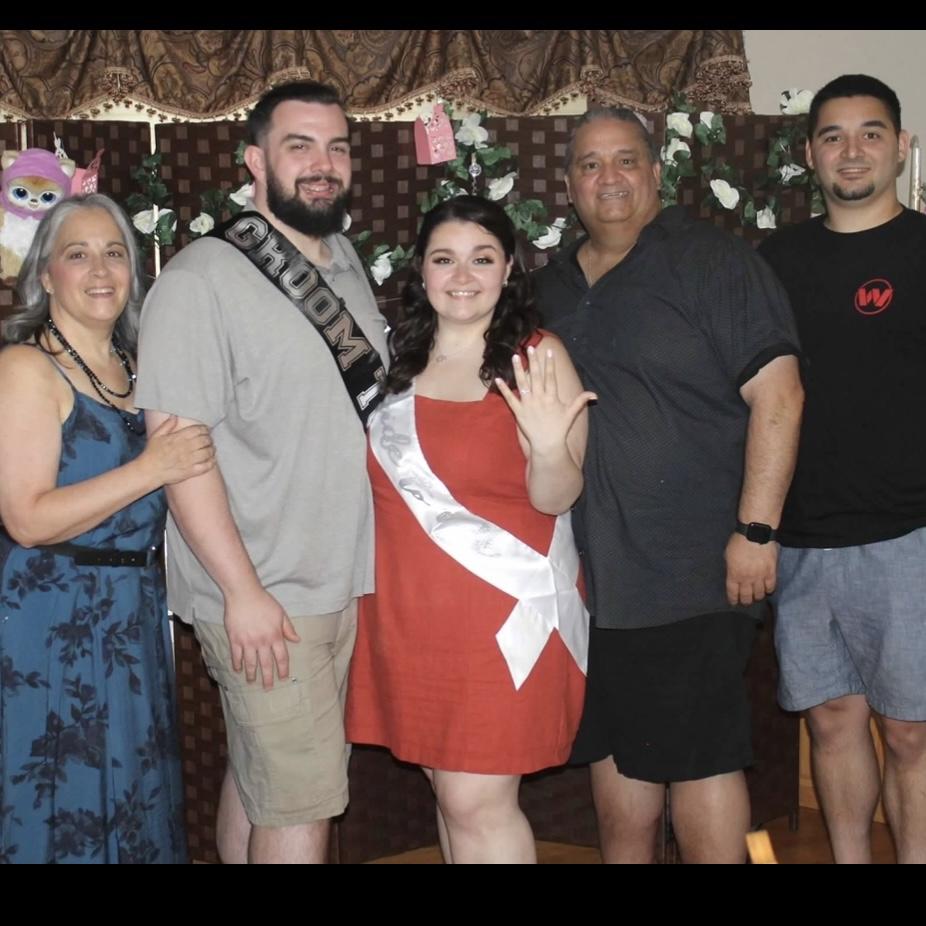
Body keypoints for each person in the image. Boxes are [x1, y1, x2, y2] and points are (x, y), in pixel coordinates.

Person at [532, 107, 804, 863]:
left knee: (700, 761)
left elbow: (780, 395)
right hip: (591, 580)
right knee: (618, 761)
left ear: (656, 172)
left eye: (625, 159)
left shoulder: (712, 262)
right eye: (589, 164)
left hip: (695, 573)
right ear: (569, 185)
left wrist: (756, 531)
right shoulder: (549, 287)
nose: (608, 177)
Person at [134, 81, 388, 865]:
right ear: (254, 161)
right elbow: (179, 452)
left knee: (264, 782)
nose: (322, 163)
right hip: (264, 593)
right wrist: (241, 593)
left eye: (336, 147)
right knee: (303, 803)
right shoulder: (199, 280)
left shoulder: (344, 261)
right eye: (298, 146)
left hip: (337, 580)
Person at [345, 195, 594, 864]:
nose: (462, 277)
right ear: (420, 270)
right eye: (444, 259)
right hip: (408, 619)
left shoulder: (538, 356)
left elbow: (558, 496)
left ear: (509, 268)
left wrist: (550, 447)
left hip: (505, 615)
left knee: (475, 803)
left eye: (481, 259)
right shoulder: (393, 359)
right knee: (449, 796)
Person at [0, 193, 215, 863]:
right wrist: (151, 468)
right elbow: (26, 518)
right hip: (51, 616)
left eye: (115, 253)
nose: (100, 271)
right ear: (45, 275)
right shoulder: (25, 368)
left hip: (130, 610)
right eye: (78, 254)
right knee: (62, 797)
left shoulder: (138, 367)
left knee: (132, 792)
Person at [758, 74, 926, 864]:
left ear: (902, 146)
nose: (851, 150)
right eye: (833, 135)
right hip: (801, 536)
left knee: (910, 731)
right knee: (830, 720)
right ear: (810, 153)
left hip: (909, 534)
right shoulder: (775, 261)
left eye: (870, 133)